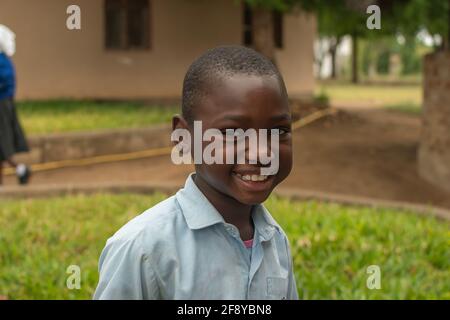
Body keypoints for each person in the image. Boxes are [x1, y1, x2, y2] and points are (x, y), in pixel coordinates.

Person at [94, 45, 297, 299]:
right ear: (184, 137)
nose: (261, 153)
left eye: (278, 131)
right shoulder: (143, 249)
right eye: (232, 133)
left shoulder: (275, 241)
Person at [0, 24, 31, 186]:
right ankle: (19, 170)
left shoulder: (2, 62)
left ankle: (21, 169)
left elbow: (4, 84)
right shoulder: (4, 60)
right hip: (4, 105)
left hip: (2, 107)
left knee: (3, 144)